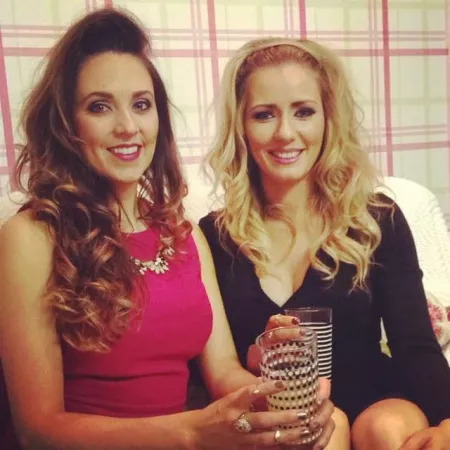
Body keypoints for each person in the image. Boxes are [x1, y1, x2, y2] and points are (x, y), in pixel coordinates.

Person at [0, 12, 334, 450]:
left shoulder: (184, 235)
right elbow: (37, 429)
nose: (128, 126)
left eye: (141, 104)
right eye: (99, 106)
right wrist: (190, 433)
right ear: (66, 124)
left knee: (331, 423)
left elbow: (223, 372)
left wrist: (277, 398)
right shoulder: (30, 237)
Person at [199, 37, 450, 450]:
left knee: (386, 427)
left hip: (379, 407)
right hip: (284, 419)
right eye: (264, 115)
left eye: (304, 112)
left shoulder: (377, 219)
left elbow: (415, 345)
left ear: (328, 118)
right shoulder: (214, 237)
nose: (285, 133)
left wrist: (447, 421)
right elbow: (218, 365)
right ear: (241, 126)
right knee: (321, 432)